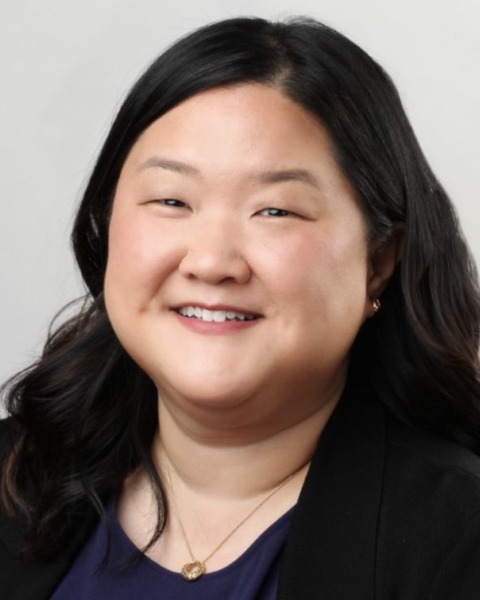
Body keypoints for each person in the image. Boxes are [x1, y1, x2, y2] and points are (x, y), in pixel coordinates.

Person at [1, 15, 480, 600]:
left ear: (378, 260)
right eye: (171, 200)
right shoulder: (15, 474)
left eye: (275, 211)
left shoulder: (457, 539)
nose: (211, 262)